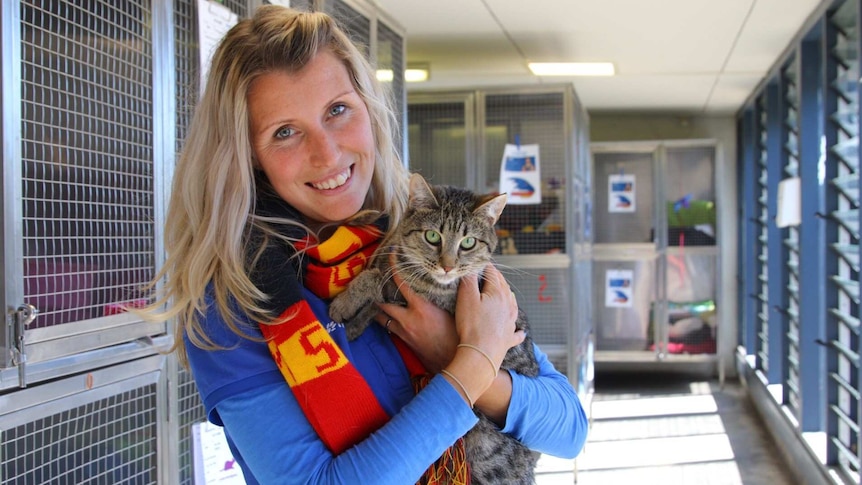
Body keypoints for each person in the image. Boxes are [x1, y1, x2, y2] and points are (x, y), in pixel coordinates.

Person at [142, 5, 588, 484]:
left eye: (337, 110)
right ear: (246, 156)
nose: (328, 153)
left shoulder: (408, 240)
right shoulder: (232, 305)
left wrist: (457, 360)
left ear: (369, 111)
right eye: (285, 132)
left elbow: (569, 429)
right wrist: (469, 368)